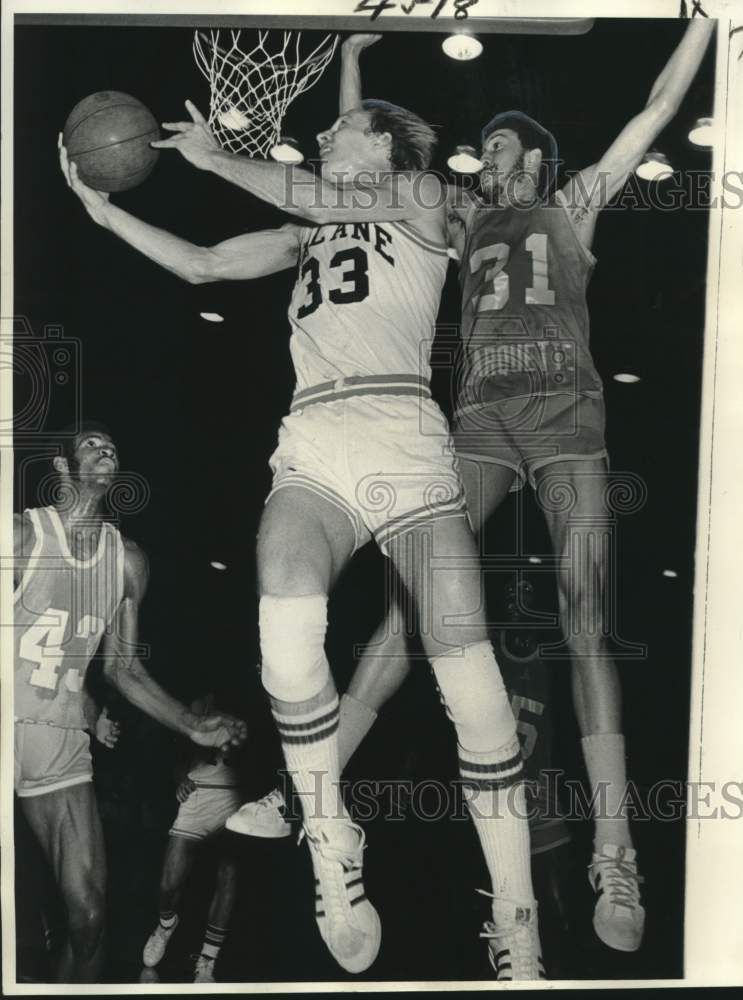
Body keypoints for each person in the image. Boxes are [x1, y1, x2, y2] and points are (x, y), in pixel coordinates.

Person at [224, 22, 715, 956]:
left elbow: (652, 112)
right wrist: (357, 67)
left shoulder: (574, 206)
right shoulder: (448, 214)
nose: (479, 153)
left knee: (584, 618)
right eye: (477, 145)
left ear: (529, 156)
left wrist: (701, 21)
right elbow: (344, 192)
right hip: (478, 422)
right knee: (414, 618)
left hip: (566, 418)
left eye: (494, 142)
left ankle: (615, 851)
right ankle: (302, 789)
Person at [60, 87, 545, 980]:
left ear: (387, 148)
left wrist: (212, 159)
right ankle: (331, 842)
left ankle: (517, 918)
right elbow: (203, 264)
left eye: (340, 126)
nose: (323, 133)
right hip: (315, 440)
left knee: (470, 686)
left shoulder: (425, 196)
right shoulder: (305, 229)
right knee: (284, 651)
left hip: (402, 437)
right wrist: (102, 211)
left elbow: (319, 194)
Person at [13, 423, 248, 982]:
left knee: (91, 916)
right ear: (63, 467)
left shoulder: (129, 562)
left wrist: (190, 725)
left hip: (58, 741)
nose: (106, 448)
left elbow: (122, 667)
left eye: (112, 445)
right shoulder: (21, 536)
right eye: (91, 443)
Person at [141, 692, 243, 984]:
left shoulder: (262, 689)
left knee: (229, 873)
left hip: (236, 796)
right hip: (199, 794)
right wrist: (180, 779)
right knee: (167, 884)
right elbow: (180, 757)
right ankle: (165, 925)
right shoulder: (201, 700)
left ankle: (207, 961)